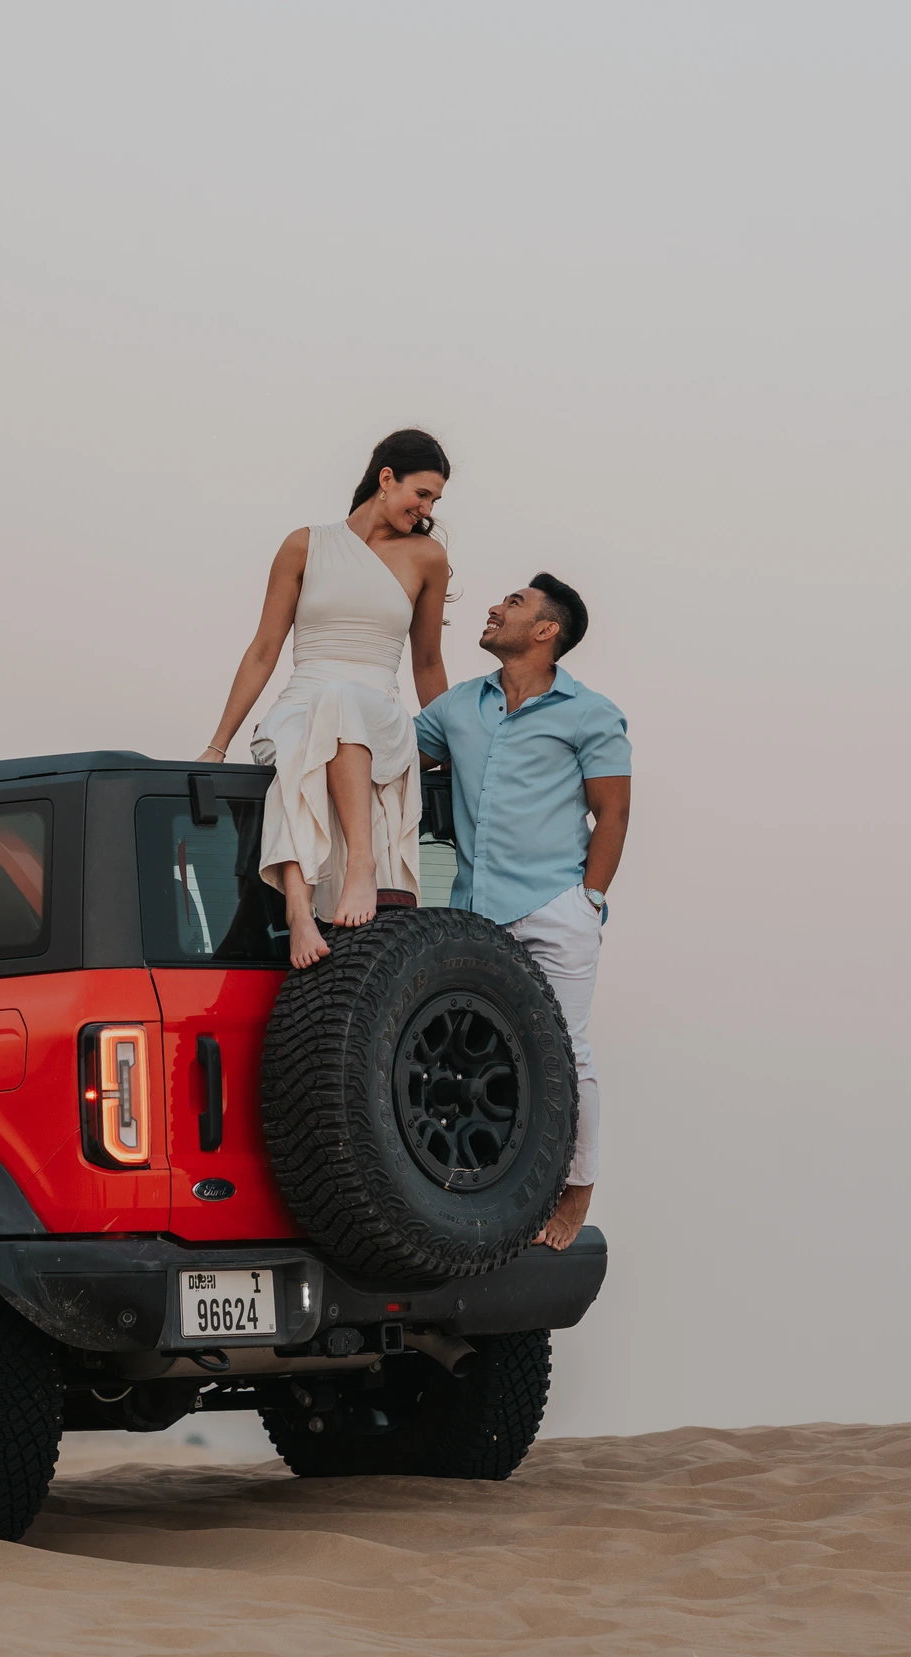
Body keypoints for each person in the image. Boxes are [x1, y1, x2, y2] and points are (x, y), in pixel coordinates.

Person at [415, 573, 630, 1249]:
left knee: (565, 1055)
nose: (492, 607)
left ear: (545, 632)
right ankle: (479, 1184)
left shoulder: (590, 713)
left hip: (554, 908)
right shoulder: (455, 709)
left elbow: (613, 810)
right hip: (472, 917)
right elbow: (390, 761)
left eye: (511, 604)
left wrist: (588, 900)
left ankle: (574, 1195)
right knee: (467, 1059)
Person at [203, 429, 451, 969]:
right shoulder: (304, 544)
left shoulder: (427, 557)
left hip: (377, 707)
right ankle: (298, 912)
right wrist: (217, 746)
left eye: (435, 500)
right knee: (297, 737)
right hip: (303, 696)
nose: (427, 508)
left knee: (339, 703)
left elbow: (427, 663)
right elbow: (266, 648)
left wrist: (451, 746)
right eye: (423, 493)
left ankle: (359, 868)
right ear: (387, 479)